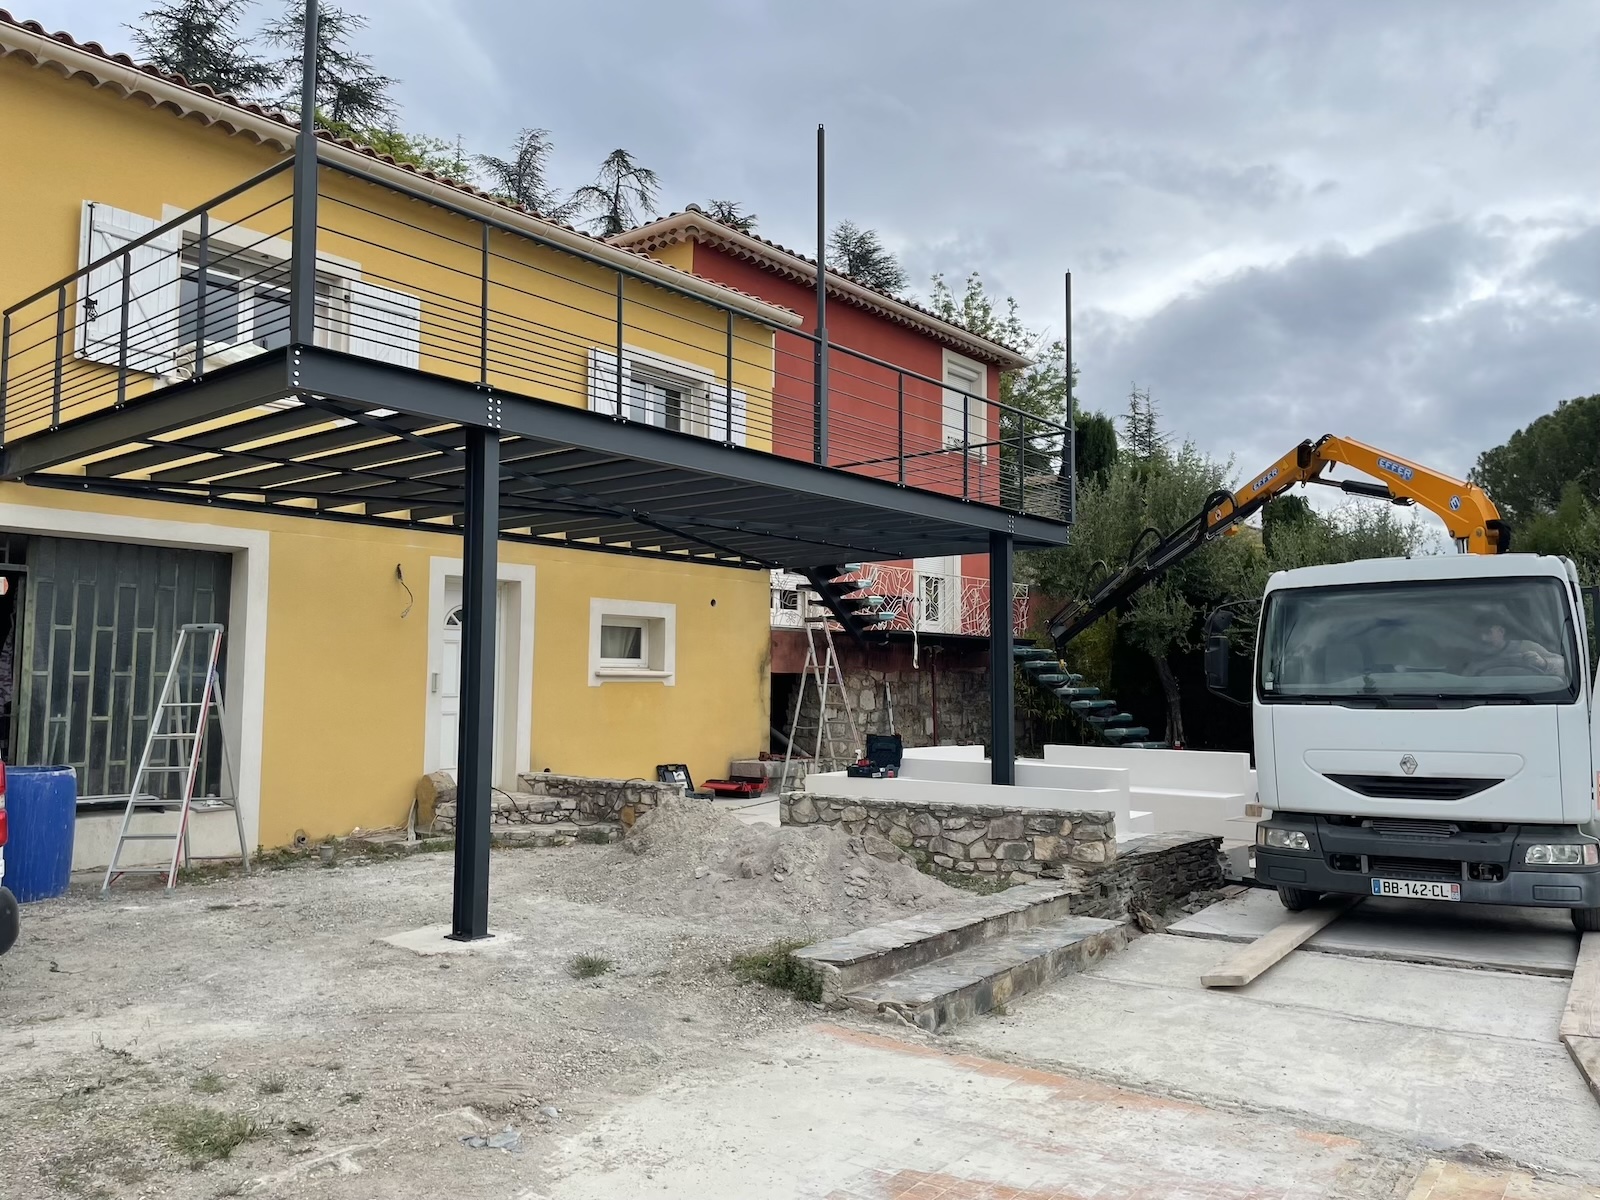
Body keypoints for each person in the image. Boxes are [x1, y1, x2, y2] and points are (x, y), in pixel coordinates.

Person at [1472, 616, 1565, 677]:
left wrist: (1543, 663)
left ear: (1501, 631)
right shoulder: (1476, 656)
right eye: (1479, 633)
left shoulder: (1526, 646)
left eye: (1488, 633)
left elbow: (1564, 667)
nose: (1483, 638)